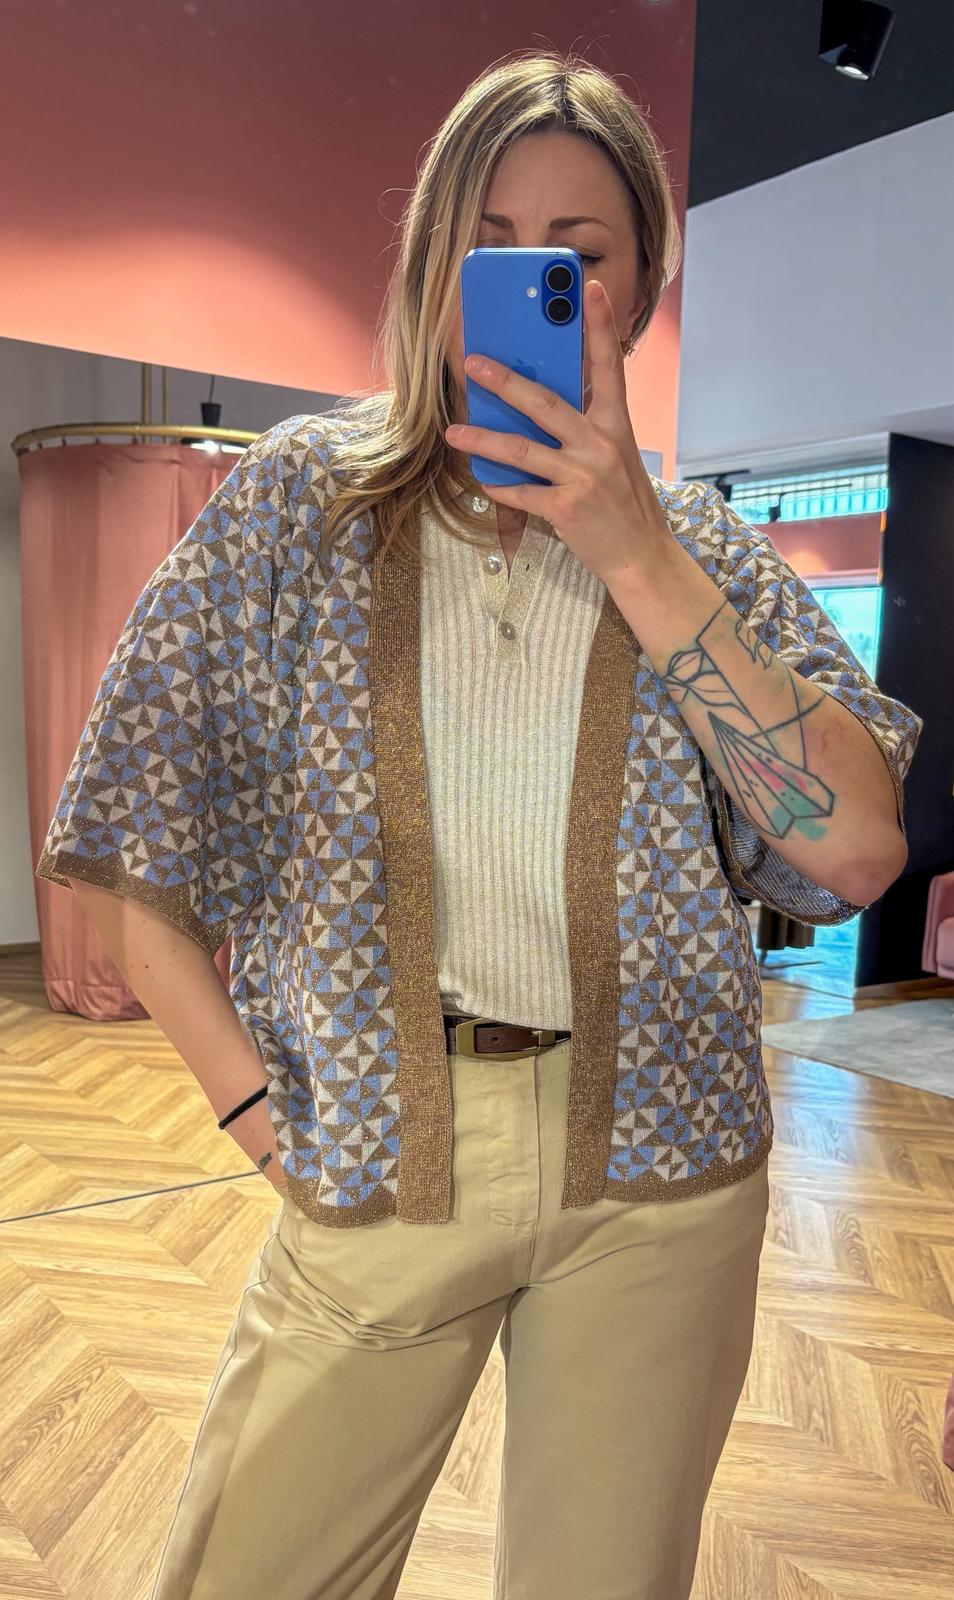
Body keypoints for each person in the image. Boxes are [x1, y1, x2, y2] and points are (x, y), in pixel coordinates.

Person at [36, 49, 922, 1600]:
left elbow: (850, 850)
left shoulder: (704, 549)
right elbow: (133, 833)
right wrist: (255, 1116)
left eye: (576, 255)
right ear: (434, 269)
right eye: (490, 243)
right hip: (379, 1148)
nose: (531, 282)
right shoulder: (300, 509)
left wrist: (633, 548)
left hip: (663, 1178)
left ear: (634, 291)